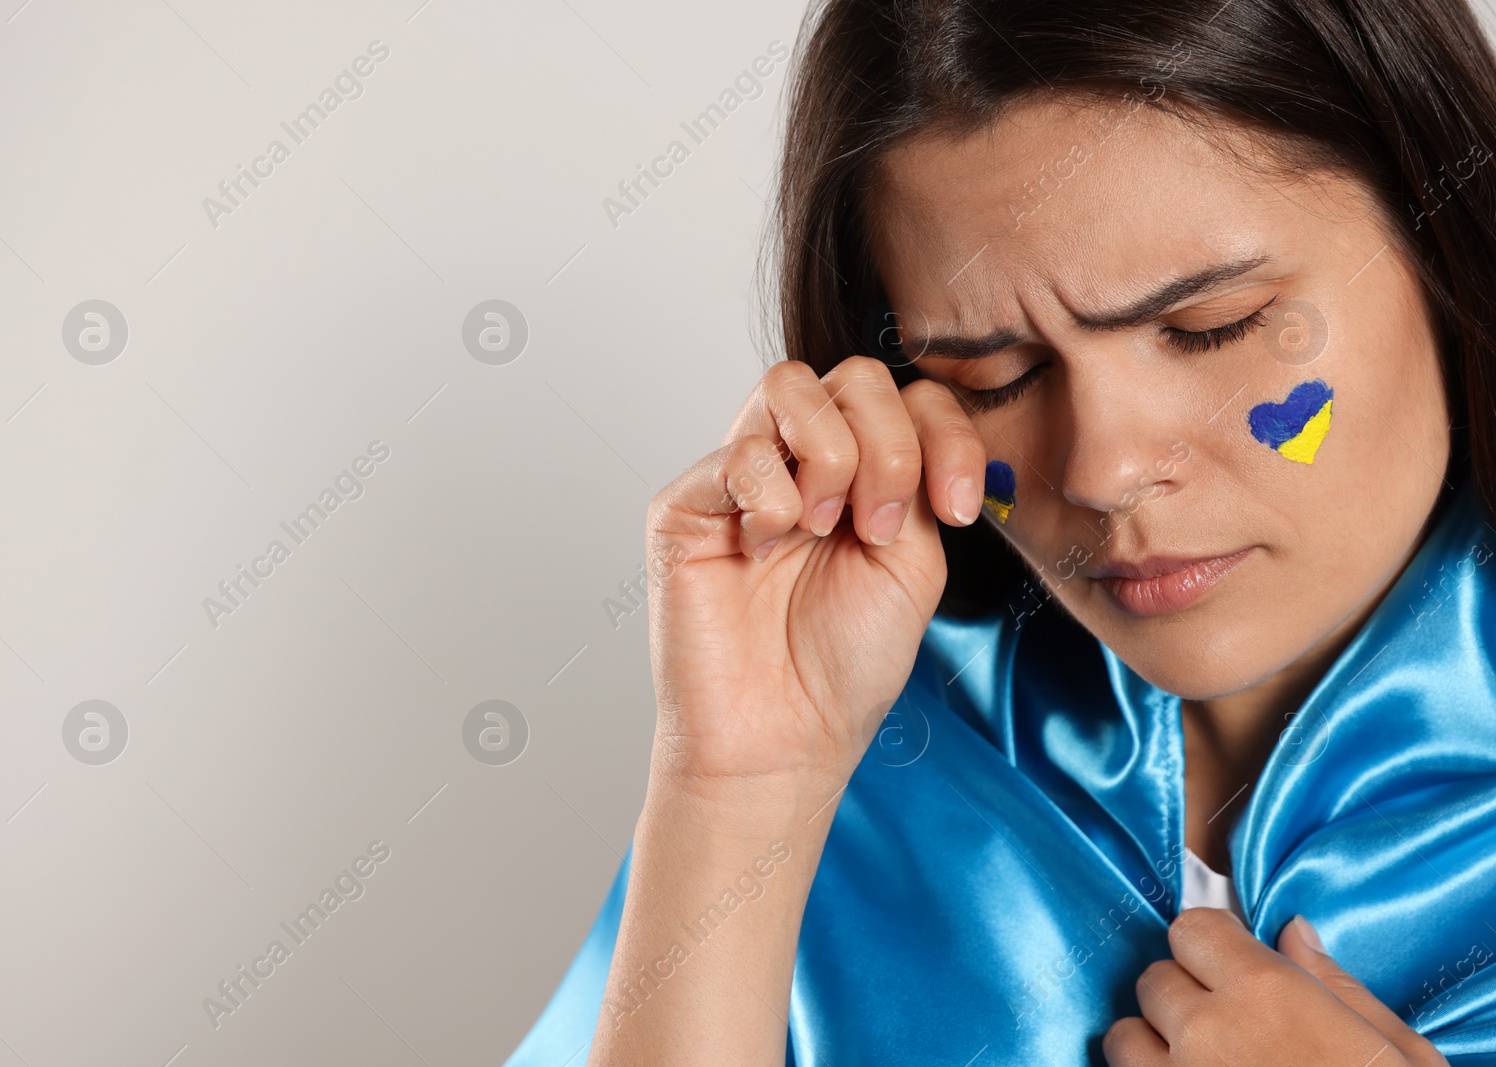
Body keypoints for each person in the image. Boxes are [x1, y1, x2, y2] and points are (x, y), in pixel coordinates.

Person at [508, 0, 1496, 1062]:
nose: (1104, 470)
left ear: (1440, 237)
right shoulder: (861, 749)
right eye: (992, 377)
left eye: (1213, 329)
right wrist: (734, 790)